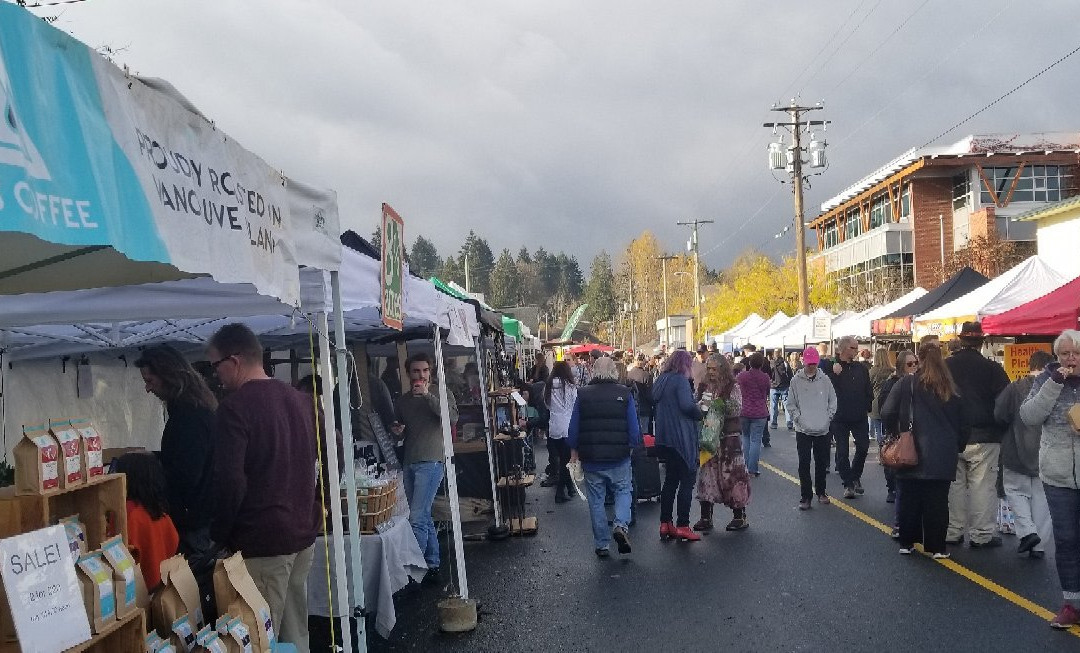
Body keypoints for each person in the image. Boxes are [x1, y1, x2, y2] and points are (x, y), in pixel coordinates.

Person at [208, 323, 318, 651]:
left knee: (259, 638)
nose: (216, 375)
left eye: (215, 365)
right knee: (295, 633)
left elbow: (230, 481)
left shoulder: (234, 408)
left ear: (235, 359)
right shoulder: (301, 400)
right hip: (302, 533)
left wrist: (221, 535)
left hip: (263, 540)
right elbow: (329, 456)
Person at [134, 346, 216, 574]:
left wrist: (150, 472)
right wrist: (154, 457)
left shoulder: (189, 417)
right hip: (200, 518)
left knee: (190, 590)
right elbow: (186, 458)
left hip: (193, 522)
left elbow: (186, 474)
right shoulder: (196, 409)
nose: (148, 389)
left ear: (168, 376)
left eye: (150, 381)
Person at [880, 341, 966, 559]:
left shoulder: (907, 383)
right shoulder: (950, 387)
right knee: (937, 501)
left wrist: (897, 432)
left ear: (918, 359)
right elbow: (964, 422)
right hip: (943, 452)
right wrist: (958, 444)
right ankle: (936, 546)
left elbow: (887, 411)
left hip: (911, 448)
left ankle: (907, 542)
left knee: (909, 498)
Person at [1020, 330, 1080, 629]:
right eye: (1065, 354)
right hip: (1057, 474)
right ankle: (1072, 603)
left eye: (1076, 353)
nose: (1071, 359)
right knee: (1067, 539)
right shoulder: (1046, 380)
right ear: (1057, 357)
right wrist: (1054, 385)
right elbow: (1028, 416)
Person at [391, 353, 458, 576]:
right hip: (410, 460)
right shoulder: (403, 401)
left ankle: (413, 572)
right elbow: (401, 432)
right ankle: (432, 562)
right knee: (423, 514)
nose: (421, 375)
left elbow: (451, 418)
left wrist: (428, 395)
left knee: (417, 517)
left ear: (431, 372)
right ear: (408, 374)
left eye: (425, 370)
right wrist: (398, 432)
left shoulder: (441, 392)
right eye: (416, 371)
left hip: (432, 460)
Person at [944, 321, 1010, 548]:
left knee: (955, 485)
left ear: (961, 341)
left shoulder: (946, 366)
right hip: (985, 435)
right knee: (983, 486)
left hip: (952, 435)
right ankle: (982, 534)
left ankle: (953, 531)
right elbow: (1005, 404)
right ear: (982, 343)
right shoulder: (993, 369)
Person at [567, 357, 641, 557]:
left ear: (593, 371)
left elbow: (573, 428)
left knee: (596, 500)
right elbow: (634, 428)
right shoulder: (625, 394)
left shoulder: (582, 395)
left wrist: (574, 451)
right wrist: (633, 446)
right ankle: (620, 525)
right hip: (619, 456)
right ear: (614, 371)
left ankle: (602, 544)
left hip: (592, 458)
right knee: (624, 490)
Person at [997, 349, 1054, 559]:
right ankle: (1038, 545)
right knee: (1042, 500)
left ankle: (1028, 532)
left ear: (1030, 365)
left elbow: (999, 414)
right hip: (1046, 453)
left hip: (1015, 450)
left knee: (1015, 492)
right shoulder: (1055, 389)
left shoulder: (1015, 388)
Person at [693, 354, 751, 531]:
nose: (710, 372)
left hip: (729, 437)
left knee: (733, 476)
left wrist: (719, 404)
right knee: (707, 476)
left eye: (714, 369)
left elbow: (737, 407)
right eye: (708, 368)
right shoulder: (703, 386)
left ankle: (739, 516)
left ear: (722, 369)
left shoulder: (732, 386)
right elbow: (697, 406)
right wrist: (702, 404)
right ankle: (705, 517)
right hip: (709, 438)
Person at [652, 350, 705, 542]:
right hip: (681, 439)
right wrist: (700, 411)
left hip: (664, 438)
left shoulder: (661, 380)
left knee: (670, 481)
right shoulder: (680, 381)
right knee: (687, 480)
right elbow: (686, 406)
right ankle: (683, 524)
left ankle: (665, 522)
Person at [115, 453, 179, 590]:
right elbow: (174, 541)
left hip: (139, 590)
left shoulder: (128, 512)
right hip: (163, 587)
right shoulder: (159, 511)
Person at [823, 335, 874, 499]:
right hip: (840, 416)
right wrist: (834, 373)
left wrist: (867, 405)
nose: (857, 350)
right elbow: (824, 388)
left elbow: (868, 389)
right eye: (853, 347)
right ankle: (848, 483)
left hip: (859, 415)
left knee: (863, 447)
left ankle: (855, 475)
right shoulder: (831, 366)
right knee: (842, 451)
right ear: (844, 349)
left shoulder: (861, 368)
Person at [787, 346, 837, 509]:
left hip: (822, 428)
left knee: (821, 462)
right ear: (804, 362)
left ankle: (821, 492)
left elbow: (833, 401)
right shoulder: (795, 380)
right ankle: (805, 496)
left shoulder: (825, 380)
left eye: (814, 364)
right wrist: (798, 419)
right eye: (809, 364)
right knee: (804, 463)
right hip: (803, 429)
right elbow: (791, 404)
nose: (811, 366)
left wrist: (827, 418)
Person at [878, 350, 918, 535]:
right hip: (900, 436)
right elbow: (885, 411)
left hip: (918, 438)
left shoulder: (920, 384)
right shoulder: (893, 384)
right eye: (910, 364)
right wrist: (894, 430)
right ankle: (900, 524)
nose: (914, 367)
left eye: (916, 363)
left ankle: (914, 524)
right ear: (901, 366)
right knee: (902, 480)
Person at [544, 361, 578, 504]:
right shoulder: (569, 386)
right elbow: (575, 404)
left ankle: (569, 487)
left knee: (561, 458)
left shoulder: (549, 386)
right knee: (566, 461)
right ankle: (560, 491)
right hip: (567, 425)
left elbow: (547, 404)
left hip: (554, 426)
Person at [737, 352, 771, 471]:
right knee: (756, 440)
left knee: (745, 438)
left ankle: (745, 465)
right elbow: (767, 392)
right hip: (760, 411)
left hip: (744, 410)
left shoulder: (742, 376)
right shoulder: (765, 377)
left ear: (750, 363)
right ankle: (753, 468)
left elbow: (737, 390)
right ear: (761, 364)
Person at [868, 348, 895, 488]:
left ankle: (881, 454)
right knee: (888, 430)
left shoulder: (873, 371)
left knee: (879, 430)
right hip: (888, 401)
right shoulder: (892, 371)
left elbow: (868, 386)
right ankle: (888, 452)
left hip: (875, 403)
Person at [769, 348, 794, 432]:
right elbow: (790, 374)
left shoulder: (771, 363)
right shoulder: (785, 363)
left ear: (773, 354)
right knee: (786, 405)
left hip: (773, 387)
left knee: (773, 405)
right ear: (780, 354)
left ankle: (773, 423)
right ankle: (789, 422)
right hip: (784, 386)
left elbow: (768, 374)